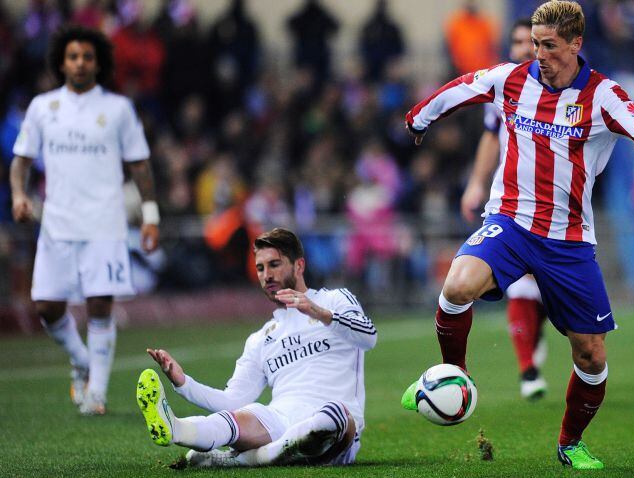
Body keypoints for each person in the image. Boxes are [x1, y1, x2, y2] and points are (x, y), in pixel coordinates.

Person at [402, 1, 634, 470]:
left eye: (548, 45)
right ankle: (454, 377)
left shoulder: (602, 94)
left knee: (590, 355)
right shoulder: (512, 78)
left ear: (575, 44)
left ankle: (570, 443)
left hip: (568, 239)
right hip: (510, 221)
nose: (538, 53)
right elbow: (464, 86)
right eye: (535, 43)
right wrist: (420, 117)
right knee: (457, 285)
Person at [10, 25, 159, 415]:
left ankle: (97, 393)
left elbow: (140, 166)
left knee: (99, 305)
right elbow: (21, 160)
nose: (79, 63)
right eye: (73, 56)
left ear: (98, 63)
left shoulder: (117, 110)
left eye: (87, 57)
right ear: (61, 61)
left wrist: (150, 216)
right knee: (45, 306)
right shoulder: (43, 107)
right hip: (57, 223)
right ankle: (81, 359)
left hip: (104, 223)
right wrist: (19, 195)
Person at [137, 228, 376, 468]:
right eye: (260, 268)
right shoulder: (261, 338)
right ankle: (176, 427)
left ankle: (244, 459)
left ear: (299, 266)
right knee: (240, 417)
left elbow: (368, 336)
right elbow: (232, 401)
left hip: (336, 422)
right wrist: (184, 383)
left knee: (330, 417)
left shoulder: (334, 300)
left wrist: (318, 312)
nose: (266, 275)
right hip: (282, 419)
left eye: (274, 264)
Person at [460, 18, 549, 401]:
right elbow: (490, 136)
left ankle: (539, 330)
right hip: (513, 204)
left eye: (530, 42)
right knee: (521, 286)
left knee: (547, 289)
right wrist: (476, 184)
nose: (523, 49)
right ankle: (527, 369)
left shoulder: (567, 84)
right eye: (516, 42)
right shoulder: (504, 87)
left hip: (559, 205)